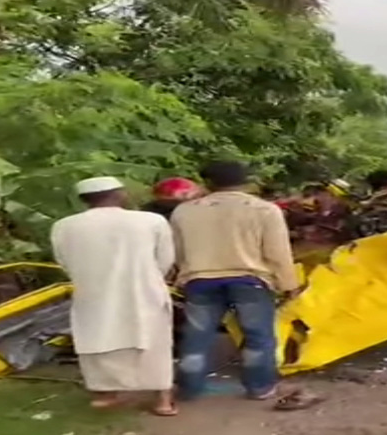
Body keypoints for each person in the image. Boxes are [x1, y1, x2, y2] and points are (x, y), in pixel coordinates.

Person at [170, 161, 300, 401]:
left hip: (200, 280)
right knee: (257, 336)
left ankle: (188, 389)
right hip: (250, 280)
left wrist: (183, 275)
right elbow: (277, 251)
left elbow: (178, 251)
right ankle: (260, 387)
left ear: (207, 182)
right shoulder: (264, 209)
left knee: (197, 336)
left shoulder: (184, 211)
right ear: (246, 181)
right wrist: (288, 285)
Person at [50, 177, 177, 415]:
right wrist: (149, 277)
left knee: (98, 341)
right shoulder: (151, 221)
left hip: (93, 293)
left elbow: (64, 261)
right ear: (120, 195)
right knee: (153, 344)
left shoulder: (64, 225)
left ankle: (104, 395)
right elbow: (165, 259)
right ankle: (163, 401)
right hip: (144, 291)